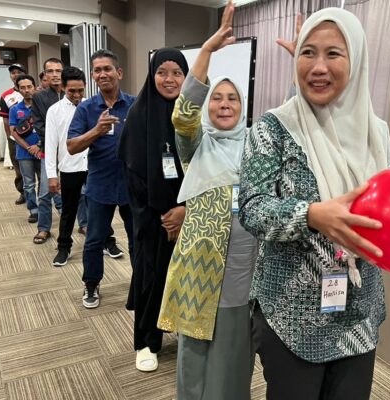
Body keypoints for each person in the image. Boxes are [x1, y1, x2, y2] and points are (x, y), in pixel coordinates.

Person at [239, 8, 390, 399]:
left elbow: (389, 209)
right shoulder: (274, 127)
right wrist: (311, 215)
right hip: (291, 315)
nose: (318, 66)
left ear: (355, 61)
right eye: (307, 53)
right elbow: (253, 208)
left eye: (333, 54)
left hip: (359, 310)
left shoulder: (376, 135)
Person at [157, 3, 257, 397]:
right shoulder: (197, 143)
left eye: (233, 98)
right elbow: (183, 114)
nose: (225, 105)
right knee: (196, 349)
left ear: (243, 105)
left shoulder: (257, 144)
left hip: (243, 263)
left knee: (235, 348)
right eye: (218, 99)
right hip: (201, 262)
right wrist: (207, 53)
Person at [118, 48, 188, 372]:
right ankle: (146, 342)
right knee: (151, 276)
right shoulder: (139, 113)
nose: (169, 79)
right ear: (152, 75)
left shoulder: (192, 114)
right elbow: (133, 170)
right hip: (152, 215)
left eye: (177, 72)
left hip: (190, 214)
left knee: (186, 276)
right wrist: (163, 215)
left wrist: (185, 209)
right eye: (162, 72)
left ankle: (183, 332)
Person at [67, 49, 135, 308]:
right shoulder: (86, 108)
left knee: (136, 239)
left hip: (132, 186)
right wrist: (97, 129)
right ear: (93, 76)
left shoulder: (135, 104)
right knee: (94, 240)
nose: (102, 74)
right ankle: (91, 284)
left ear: (119, 73)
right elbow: (72, 146)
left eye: (107, 69)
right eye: (97, 70)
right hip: (99, 185)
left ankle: (140, 285)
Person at [45, 66, 89, 266]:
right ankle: (64, 247)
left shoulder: (91, 106)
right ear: (63, 87)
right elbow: (50, 144)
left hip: (93, 166)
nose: (77, 95)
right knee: (69, 210)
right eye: (72, 91)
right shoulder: (54, 111)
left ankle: (107, 240)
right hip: (69, 166)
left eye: (81, 90)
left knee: (100, 207)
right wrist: (51, 175)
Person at [31, 57, 64, 245]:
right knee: (45, 192)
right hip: (49, 151)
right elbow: (39, 126)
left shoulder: (72, 92)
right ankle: (44, 228)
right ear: (44, 75)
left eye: (58, 71)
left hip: (72, 150)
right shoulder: (39, 97)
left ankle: (83, 223)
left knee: (82, 190)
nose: (54, 75)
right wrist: (59, 137)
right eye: (50, 71)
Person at [9, 74, 42, 224]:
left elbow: (50, 128)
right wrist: (29, 147)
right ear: (18, 89)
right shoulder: (15, 109)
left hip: (42, 150)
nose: (27, 90)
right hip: (24, 152)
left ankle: (44, 208)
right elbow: (13, 132)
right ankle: (33, 211)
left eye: (29, 86)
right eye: (23, 87)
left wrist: (39, 145)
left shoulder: (43, 107)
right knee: (28, 184)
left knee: (45, 182)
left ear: (35, 87)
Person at [0, 63, 26, 205]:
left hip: (33, 137)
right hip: (15, 137)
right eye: (13, 73)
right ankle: (23, 193)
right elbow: (5, 119)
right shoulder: (6, 96)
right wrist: (10, 136)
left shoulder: (33, 91)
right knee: (18, 167)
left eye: (18, 72)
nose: (15, 75)